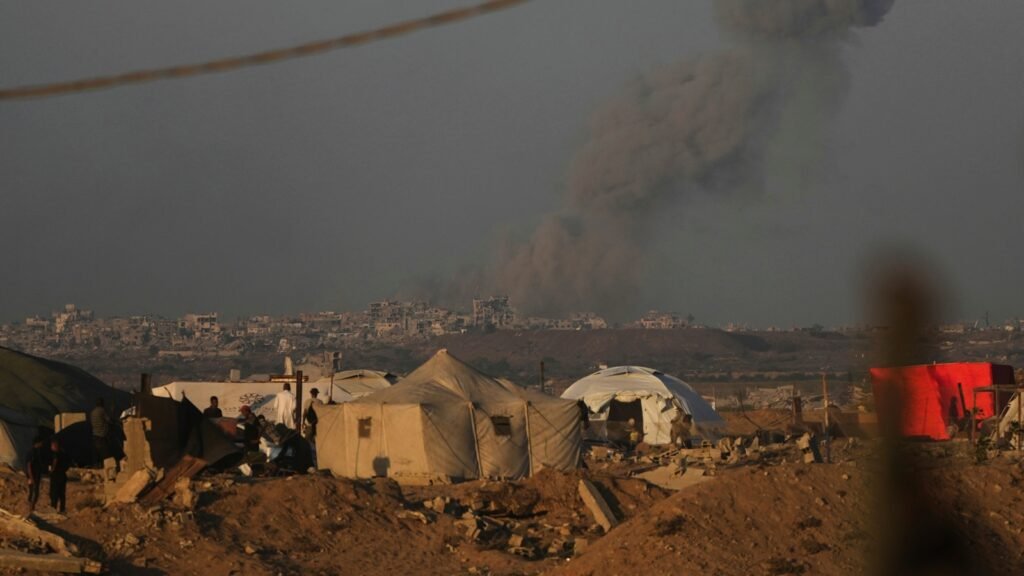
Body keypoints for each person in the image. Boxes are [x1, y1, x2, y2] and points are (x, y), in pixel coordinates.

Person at [25, 435, 46, 515]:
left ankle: (32, 508)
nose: (42, 444)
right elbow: (29, 466)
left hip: (36, 475)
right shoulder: (32, 452)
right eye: (41, 443)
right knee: (33, 492)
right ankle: (30, 509)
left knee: (35, 492)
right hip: (32, 475)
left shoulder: (37, 452)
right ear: (37, 443)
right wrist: (31, 477)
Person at [49, 438, 69, 514]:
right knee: (62, 494)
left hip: (56, 476)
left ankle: (53, 509)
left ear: (55, 445)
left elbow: (55, 462)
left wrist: (52, 470)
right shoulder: (64, 453)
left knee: (54, 493)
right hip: (63, 475)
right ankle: (62, 509)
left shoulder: (56, 454)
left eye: (52, 445)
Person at [90, 398, 111, 467]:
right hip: (102, 434)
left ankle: (97, 465)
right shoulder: (102, 410)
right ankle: (107, 466)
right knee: (105, 452)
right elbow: (108, 420)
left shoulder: (93, 412)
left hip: (95, 434)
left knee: (97, 452)